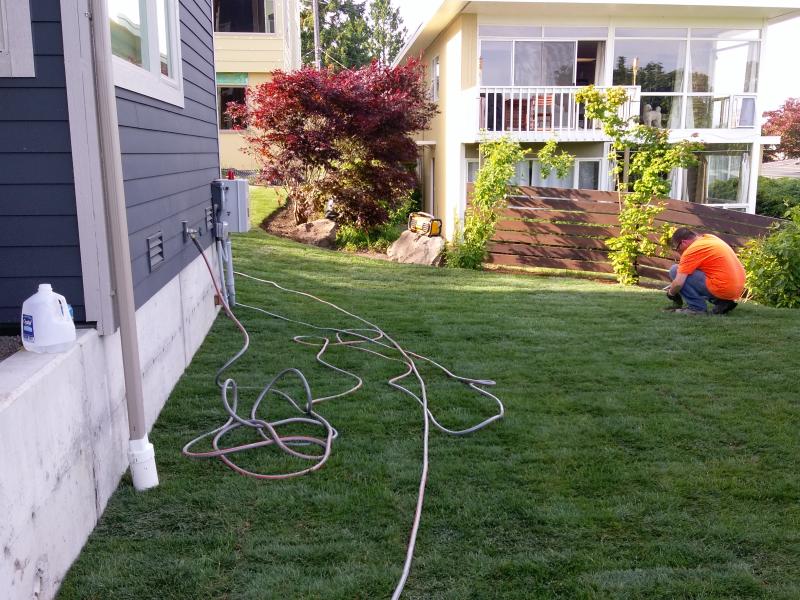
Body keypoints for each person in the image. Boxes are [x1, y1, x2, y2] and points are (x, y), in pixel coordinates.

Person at [666, 227, 746, 315]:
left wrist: (671, 293)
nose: (679, 252)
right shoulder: (710, 238)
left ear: (683, 242)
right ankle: (722, 302)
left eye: (678, 249)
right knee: (686, 273)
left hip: (723, 286)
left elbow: (678, 283)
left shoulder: (691, 250)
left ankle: (696, 308)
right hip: (736, 289)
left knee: (674, 270)